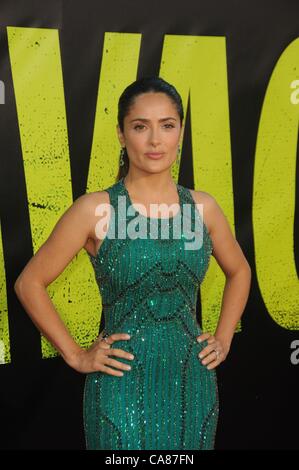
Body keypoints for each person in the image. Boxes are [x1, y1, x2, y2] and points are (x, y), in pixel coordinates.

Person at [14, 76, 251, 450]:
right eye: (141, 127)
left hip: (193, 383)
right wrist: (76, 355)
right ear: (122, 135)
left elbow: (240, 271)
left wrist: (223, 339)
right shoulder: (96, 209)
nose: (155, 140)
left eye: (167, 126)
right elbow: (29, 283)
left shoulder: (203, 208)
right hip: (119, 386)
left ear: (180, 132)